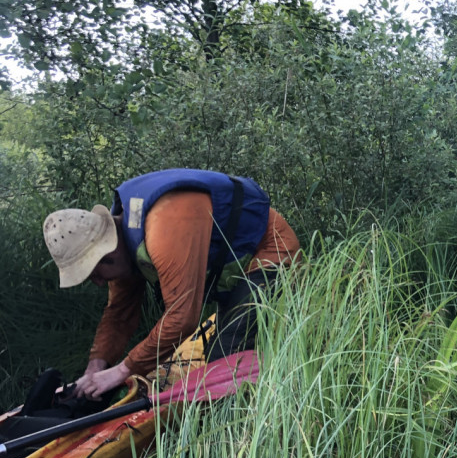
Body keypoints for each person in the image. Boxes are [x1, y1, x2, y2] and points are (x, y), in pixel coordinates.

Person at [43, 168, 301, 399]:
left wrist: (122, 371)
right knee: (219, 351)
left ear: (106, 253)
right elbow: (119, 315)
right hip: (233, 270)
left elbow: (182, 318)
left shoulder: (164, 227)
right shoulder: (124, 243)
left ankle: (247, 425)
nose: (99, 283)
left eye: (95, 274)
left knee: (224, 359)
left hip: (270, 254)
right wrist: (95, 368)